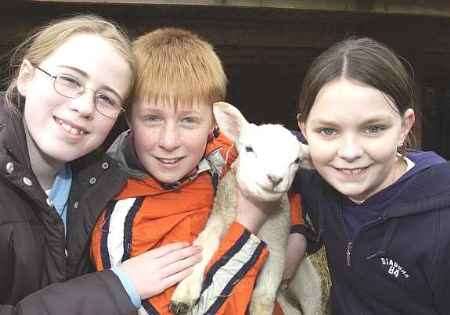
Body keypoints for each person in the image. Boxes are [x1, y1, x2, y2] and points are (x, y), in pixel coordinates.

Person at [90, 27, 308, 314]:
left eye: (189, 121)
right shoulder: (119, 221)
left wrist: (297, 231)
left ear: (214, 124)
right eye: (152, 118)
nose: (169, 141)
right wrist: (248, 223)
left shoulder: (223, 151)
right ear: (128, 117)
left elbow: (277, 162)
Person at [0, 15, 201, 314]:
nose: (84, 107)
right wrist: (119, 286)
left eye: (106, 99)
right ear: (26, 77)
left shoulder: (99, 185)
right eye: (69, 80)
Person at [295, 37, 450, 314]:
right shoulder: (316, 179)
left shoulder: (442, 221)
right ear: (304, 130)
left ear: (404, 127)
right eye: (328, 131)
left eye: (373, 128)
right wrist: (296, 234)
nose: (350, 152)